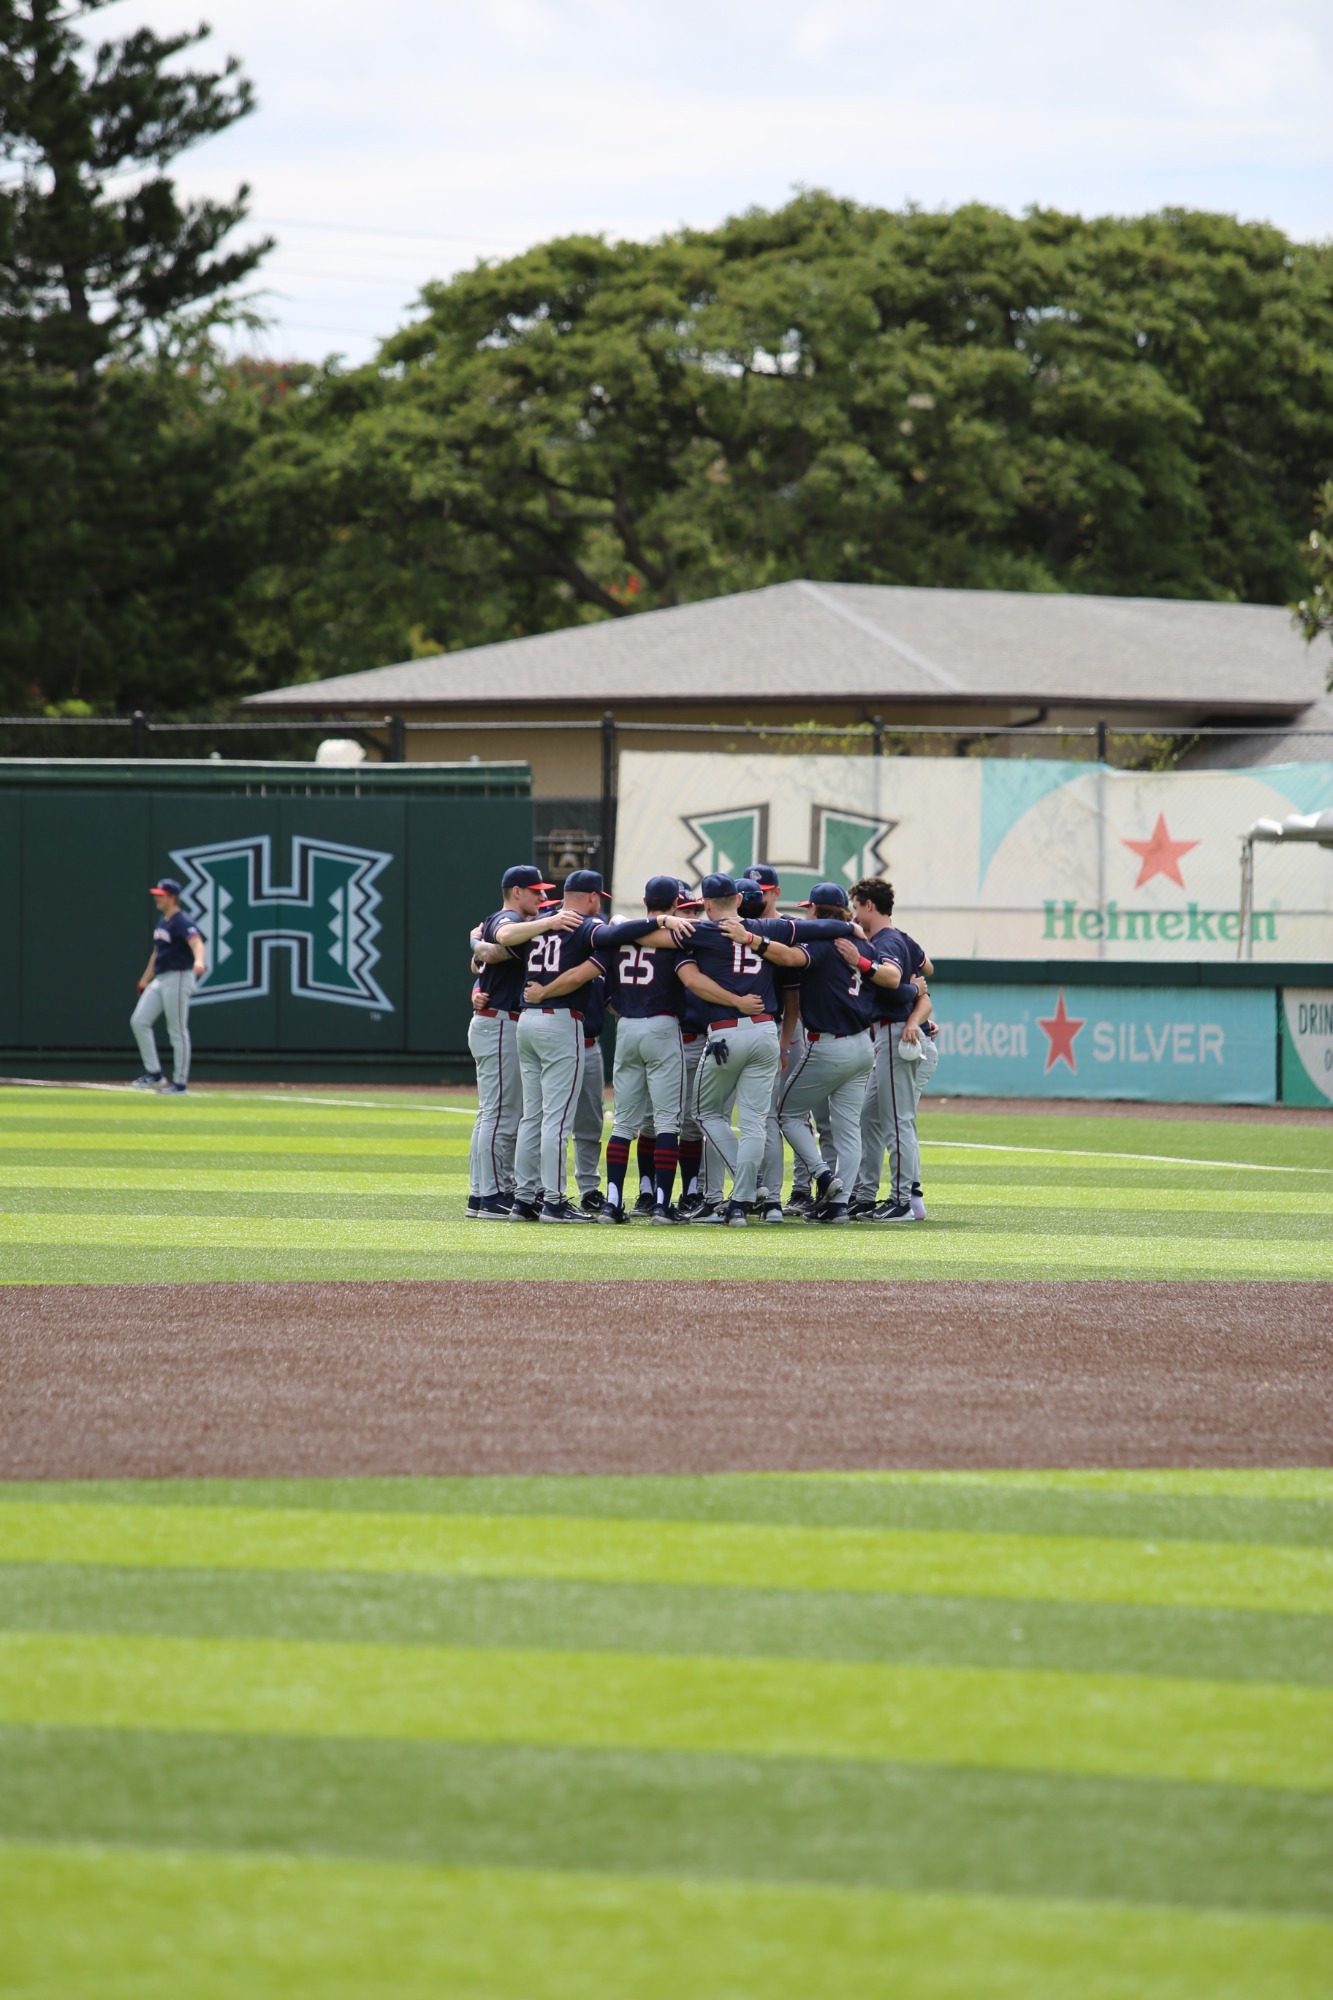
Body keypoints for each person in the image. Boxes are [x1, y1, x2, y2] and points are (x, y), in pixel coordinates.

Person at [673, 875, 855, 1226]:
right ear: (738, 901)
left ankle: (747, 1189)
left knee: (705, 1114)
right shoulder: (769, 927)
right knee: (757, 1122)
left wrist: (665, 920)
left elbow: (671, 959)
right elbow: (819, 928)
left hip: (727, 1033)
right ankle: (746, 1203)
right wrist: (851, 930)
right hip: (766, 1031)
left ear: (707, 904)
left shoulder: (702, 931)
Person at [509, 870, 690, 1223]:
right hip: (568, 1020)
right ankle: (556, 1201)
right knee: (562, 1120)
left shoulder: (540, 922)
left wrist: (477, 947)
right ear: (593, 897)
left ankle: (526, 1198)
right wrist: (664, 921)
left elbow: (501, 938)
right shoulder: (590, 926)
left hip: (529, 1019)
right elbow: (603, 948)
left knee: (537, 1116)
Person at [772, 881, 891, 1224]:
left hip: (829, 1045)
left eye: (809, 908)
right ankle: (839, 1206)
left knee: (786, 1114)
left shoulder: (822, 943)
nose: (806, 912)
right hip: (862, 1045)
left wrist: (758, 941)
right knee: (847, 1128)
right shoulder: (863, 945)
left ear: (817, 911)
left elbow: (789, 956)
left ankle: (824, 1177)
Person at [464, 865, 572, 1219]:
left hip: (497, 1020)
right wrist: (547, 922)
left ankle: (483, 1193)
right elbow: (499, 943)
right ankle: (493, 1194)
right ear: (515, 892)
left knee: (494, 1113)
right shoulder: (509, 916)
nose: (542, 898)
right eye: (535, 891)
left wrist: (476, 945)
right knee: (501, 1114)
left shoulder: (515, 920)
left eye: (544, 892)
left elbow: (485, 954)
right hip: (498, 1021)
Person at [740, 862, 836, 1214]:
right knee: (761, 1115)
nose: (755, 898)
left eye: (761, 893)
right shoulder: (741, 927)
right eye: (749, 893)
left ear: (775, 893)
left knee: (792, 1112)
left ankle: (799, 1187)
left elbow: (793, 1001)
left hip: (787, 1029)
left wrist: (784, 1042)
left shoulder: (790, 929)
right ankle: (765, 1189)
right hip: (760, 1031)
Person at [841, 876, 938, 1221]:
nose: (853, 913)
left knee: (898, 1121)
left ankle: (902, 1201)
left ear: (869, 904)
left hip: (897, 1034)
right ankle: (866, 1194)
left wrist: (861, 961)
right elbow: (926, 968)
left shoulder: (886, 940)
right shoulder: (900, 938)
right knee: (870, 1117)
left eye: (856, 905)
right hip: (892, 1032)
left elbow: (893, 977)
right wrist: (916, 985)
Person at [598, 875, 691, 1224]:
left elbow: (605, 986)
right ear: (676, 905)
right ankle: (663, 1206)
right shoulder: (676, 934)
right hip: (662, 1025)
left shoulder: (619, 932)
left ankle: (612, 1203)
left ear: (645, 900)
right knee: (667, 1122)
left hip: (627, 1027)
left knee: (624, 1123)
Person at [131, 877, 206, 1094]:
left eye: (161, 895)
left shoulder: (182, 920)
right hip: (162, 978)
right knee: (139, 1021)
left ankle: (180, 1084)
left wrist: (199, 960)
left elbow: (197, 942)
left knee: (177, 1030)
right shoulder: (164, 921)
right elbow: (157, 954)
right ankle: (154, 1074)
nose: (157, 898)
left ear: (172, 898)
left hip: (180, 976)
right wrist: (145, 979)